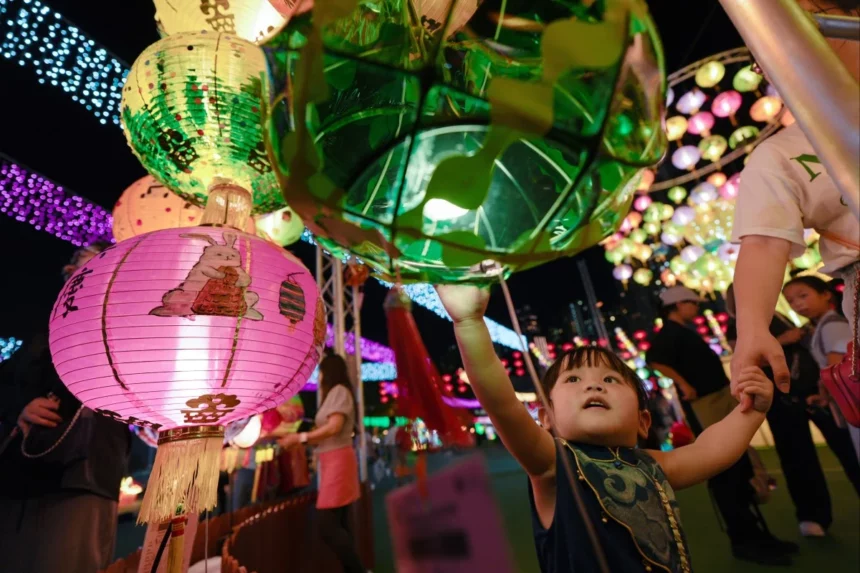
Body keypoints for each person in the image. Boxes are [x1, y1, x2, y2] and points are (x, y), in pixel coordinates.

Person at [436, 284, 780, 572]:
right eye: (573, 379)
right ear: (546, 419)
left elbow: (710, 450)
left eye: (610, 379)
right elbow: (502, 404)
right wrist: (468, 322)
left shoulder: (652, 465)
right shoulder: (554, 465)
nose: (593, 386)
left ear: (643, 421)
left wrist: (751, 411)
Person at [730, 0, 859, 410]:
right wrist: (751, 328)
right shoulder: (781, 155)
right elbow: (764, 243)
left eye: (812, 24)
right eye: (764, 48)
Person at [0, 242, 132, 573]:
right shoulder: (43, 327)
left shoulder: (129, 329)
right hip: (22, 470)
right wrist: (22, 405)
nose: (83, 278)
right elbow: (7, 380)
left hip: (85, 475)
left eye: (97, 271)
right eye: (78, 270)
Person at [646, 285, 795, 565]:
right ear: (676, 306)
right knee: (725, 467)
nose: (696, 307)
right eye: (691, 302)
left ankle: (758, 535)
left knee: (739, 463)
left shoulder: (681, 331)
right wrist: (685, 384)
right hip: (706, 403)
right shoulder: (669, 333)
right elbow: (654, 360)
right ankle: (744, 539)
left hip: (717, 398)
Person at [726, 283, 860, 536]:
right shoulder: (738, 324)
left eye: (801, 296)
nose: (796, 302)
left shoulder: (781, 316)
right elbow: (741, 357)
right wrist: (784, 339)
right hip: (781, 401)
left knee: (848, 448)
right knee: (797, 458)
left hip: (814, 396)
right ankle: (812, 516)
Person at [278, 353, 366, 573]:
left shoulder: (339, 391)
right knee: (339, 522)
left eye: (321, 372)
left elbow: (334, 427)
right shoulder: (336, 394)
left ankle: (358, 570)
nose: (319, 377)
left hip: (338, 460)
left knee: (327, 525)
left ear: (329, 372)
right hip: (332, 460)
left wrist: (301, 438)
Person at [783, 275, 860, 459]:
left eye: (803, 295)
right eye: (791, 301)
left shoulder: (831, 325)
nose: (798, 304)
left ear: (825, 294)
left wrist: (825, 395)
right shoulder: (822, 325)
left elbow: (837, 372)